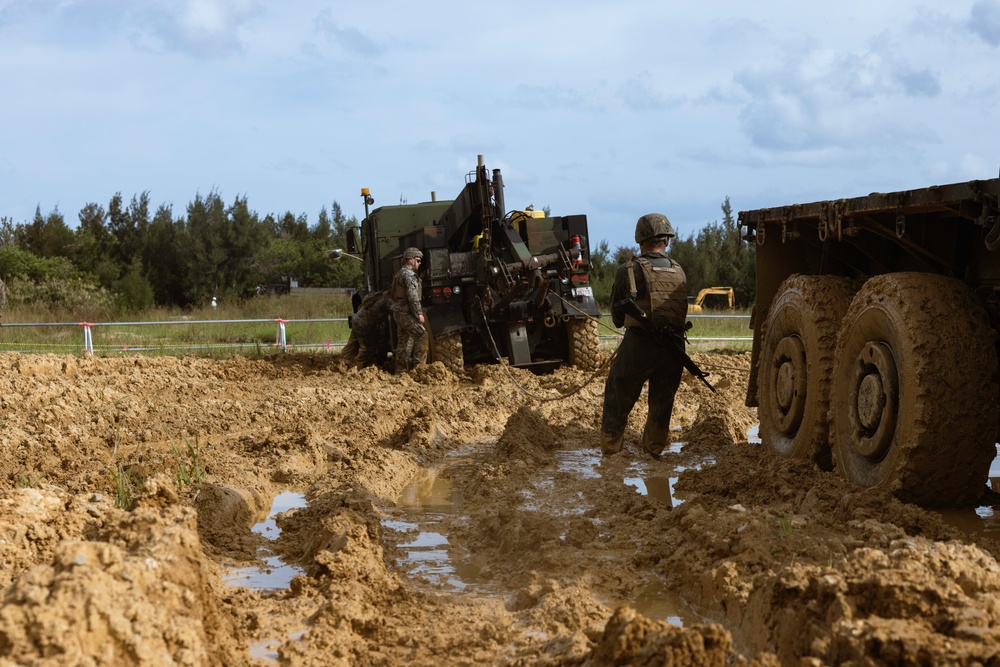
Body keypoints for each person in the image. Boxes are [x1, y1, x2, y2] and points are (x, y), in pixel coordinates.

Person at [600, 213, 688, 459]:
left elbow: (617, 316)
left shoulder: (628, 271)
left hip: (639, 345)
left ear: (640, 241)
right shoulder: (679, 271)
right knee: (662, 403)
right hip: (674, 349)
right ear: (667, 241)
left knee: (618, 395)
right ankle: (654, 451)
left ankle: (611, 450)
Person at [389, 247, 427, 372]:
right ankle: (419, 368)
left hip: (399, 312)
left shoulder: (400, 273)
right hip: (405, 312)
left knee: (404, 341)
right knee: (421, 334)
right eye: (418, 260)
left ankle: (400, 370)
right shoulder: (409, 275)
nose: (419, 263)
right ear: (410, 260)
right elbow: (412, 297)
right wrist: (419, 313)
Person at [342, 290, 392, 368]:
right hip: (364, 325)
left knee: (353, 343)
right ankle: (358, 364)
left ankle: (344, 361)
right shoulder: (387, 300)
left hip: (356, 320)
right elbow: (396, 309)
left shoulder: (378, 296)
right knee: (369, 348)